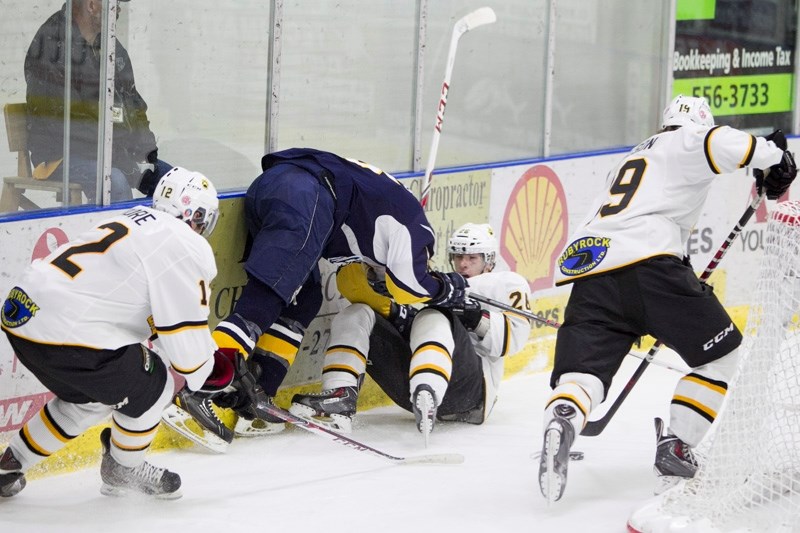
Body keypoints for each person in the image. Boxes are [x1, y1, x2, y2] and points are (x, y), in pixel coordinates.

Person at [537, 94, 797, 502]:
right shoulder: (689, 139)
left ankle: (563, 420)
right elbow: (723, 142)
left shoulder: (630, 159)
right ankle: (677, 444)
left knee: (581, 375)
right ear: (696, 122)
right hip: (651, 269)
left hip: (594, 275)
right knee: (722, 353)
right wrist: (773, 156)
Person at [198, 147, 468, 438]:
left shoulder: (378, 223)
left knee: (306, 296)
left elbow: (352, 285)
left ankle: (256, 392)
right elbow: (409, 286)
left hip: (279, 187)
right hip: (307, 194)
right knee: (265, 296)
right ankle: (199, 382)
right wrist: (443, 288)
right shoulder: (419, 231)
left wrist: (384, 294)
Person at [0, 167, 234, 499]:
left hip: (22, 319)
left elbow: (148, 312)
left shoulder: (133, 219)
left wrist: (195, 367)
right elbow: (187, 350)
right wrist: (212, 376)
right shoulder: (184, 244)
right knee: (155, 385)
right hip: (70, 335)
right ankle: (123, 469)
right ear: (195, 214)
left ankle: (9, 465)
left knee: (92, 399)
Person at [290, 223, 532, 443]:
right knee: (356, 313)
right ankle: (340, 396)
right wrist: (396, 312)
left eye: (472, 258)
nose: (463, 264)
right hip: (410, 388)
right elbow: (410, 324)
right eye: (458, 257)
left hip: (469, 392)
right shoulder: (436, 284)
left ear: (489, 261)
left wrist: (476, 318)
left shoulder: (507, 283)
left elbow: (514, 341)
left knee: (434, 315)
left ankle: (427, 389)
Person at [24, 0, 172, 203]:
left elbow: (132, 103)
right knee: (115, 182)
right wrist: (122, 158)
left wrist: (147, 154)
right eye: (115, 3)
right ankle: (117, 234)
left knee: (170, 182)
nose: (118, 8)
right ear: (93, 5)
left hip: (112, 152)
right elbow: (64, 125)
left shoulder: (110, 45)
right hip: (58, 156)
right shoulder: (52, 47)